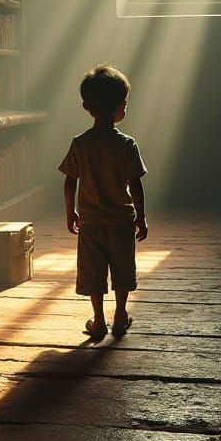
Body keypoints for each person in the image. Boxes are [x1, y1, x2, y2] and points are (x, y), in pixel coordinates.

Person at [59, 64, 148, 340]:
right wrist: (141, 217)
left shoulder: (80, 143)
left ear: (86, 107)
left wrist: (71, 212)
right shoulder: (127, 144)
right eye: (125, 103)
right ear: (120, 107)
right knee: (122, 269)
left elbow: (70, 181)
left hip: (91, 223)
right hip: (122, 222)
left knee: (93, 272)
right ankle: (120, 315)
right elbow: (136, 184)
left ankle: (98, 321)